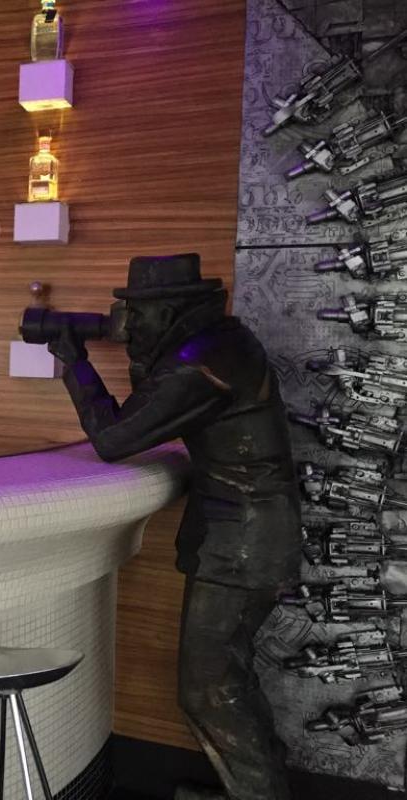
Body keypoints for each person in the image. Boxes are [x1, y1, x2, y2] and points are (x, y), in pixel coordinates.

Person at [49, 254, 298, 800]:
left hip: (243, 545)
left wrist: (74, 361)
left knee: (209, 689)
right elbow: (156, 407)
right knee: (225, 680)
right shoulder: (221, 343)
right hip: (247, 537)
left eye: (138, 313)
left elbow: (114, 439)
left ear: (170, 311)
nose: (129, 324)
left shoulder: (199, 361)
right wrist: (137, 352)